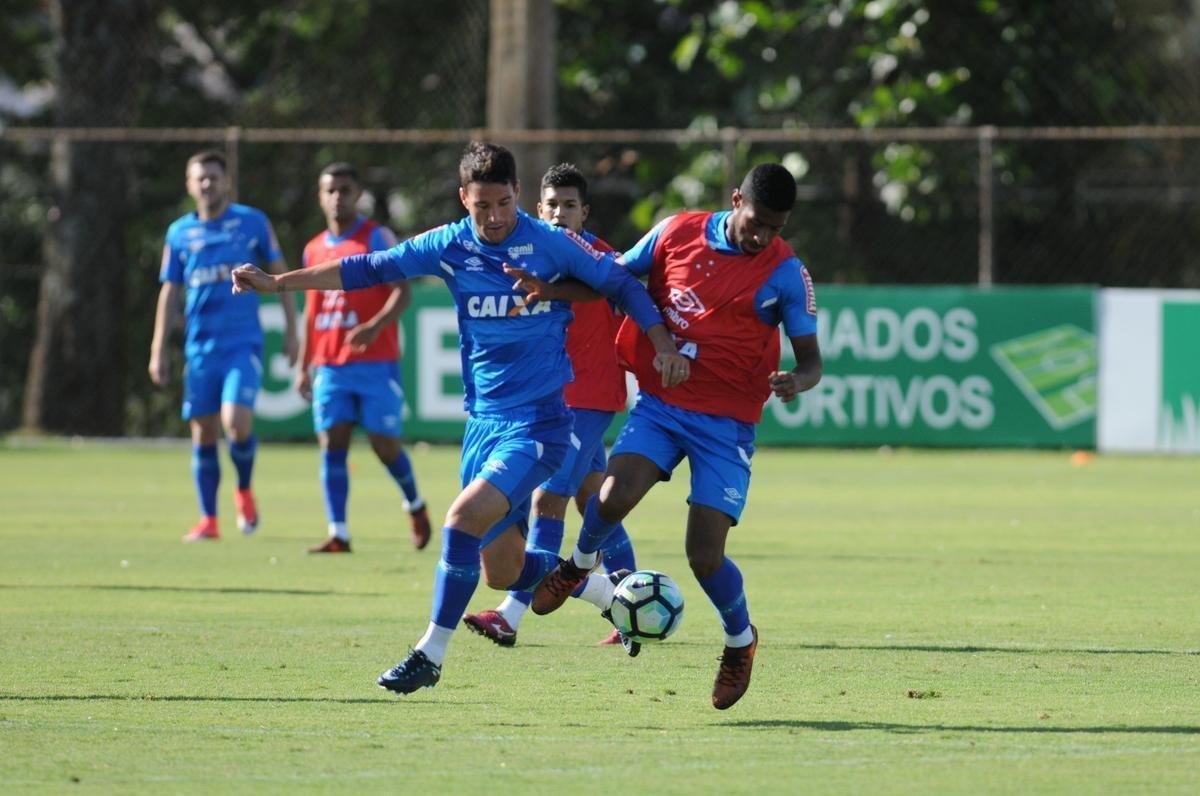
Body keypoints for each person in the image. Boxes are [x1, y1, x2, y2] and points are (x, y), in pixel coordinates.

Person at [231, 142, 688, 695]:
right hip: (483, 425)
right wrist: (279, 283)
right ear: (462, 200)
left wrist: (661, 341)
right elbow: (368, 268)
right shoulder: (449, 245)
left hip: (540, 424)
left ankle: (430, 653)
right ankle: (610, 595)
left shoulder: (550, 242)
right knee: (501, 568)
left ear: (517, 194)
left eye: (502, 203)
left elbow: (618, 283)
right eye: (481, 207)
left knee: (460, 521)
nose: (493, 218)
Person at [529, 163, 823, 711]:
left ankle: (740, 642)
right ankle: (580, 564)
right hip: (664, 407)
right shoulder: (675, 232)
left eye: (774, 228)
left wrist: (794, 382)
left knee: (704, 556)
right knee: (612, 497)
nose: (762, 236)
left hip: (727, 426)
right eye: (756, 222)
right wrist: (548, 288)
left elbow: (812, 362)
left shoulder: (786, 273)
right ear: (736, 200)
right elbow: (611, 277)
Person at [461, 163, 639, 648]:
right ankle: (633, 607)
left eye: (570, 206)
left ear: (585, 212)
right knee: (594, 500)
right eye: (552, 205)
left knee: (546, 499)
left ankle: (511, 614)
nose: (560, 214)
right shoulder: (532, 255)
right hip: (553, 398)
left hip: (588, 397)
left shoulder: (603, 260)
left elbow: (634, 295)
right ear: (537, 209)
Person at [149, 149, 298, 542]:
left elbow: (280, 275)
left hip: (242, 344)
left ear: (226, 182)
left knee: (236, 422)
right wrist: (158, 348)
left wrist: (292, 329)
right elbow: (170, 291)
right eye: (199, 178)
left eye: (213, 177)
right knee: (203, 434)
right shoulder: (179, 232)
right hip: (199, 349)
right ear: (189, 184)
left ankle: (244, 490)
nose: (206, 184)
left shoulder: (251, 222)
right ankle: (208, 520)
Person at [295, 162, 432, 554]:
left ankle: (415, 504)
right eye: (330, 190)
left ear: (357, 194)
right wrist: (305, 364)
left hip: (376, 362)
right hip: (331, 364)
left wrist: (374, 325)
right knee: (331, 441)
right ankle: (338, 532)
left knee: (384, 445)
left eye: (344, 189)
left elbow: (401, 292)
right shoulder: (313, 247)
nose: (337, 196)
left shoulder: (375, 237)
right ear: (320, 196)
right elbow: (311, 309)